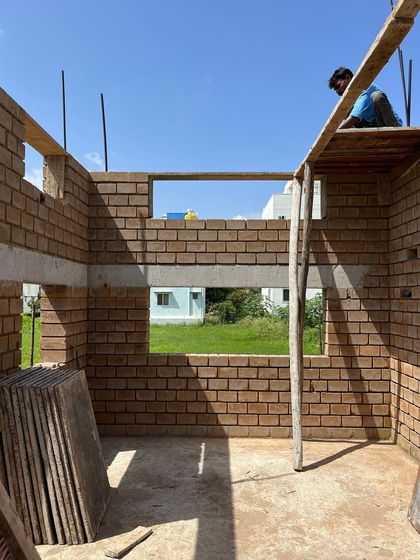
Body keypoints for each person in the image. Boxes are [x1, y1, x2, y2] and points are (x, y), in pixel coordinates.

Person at [328, 67, 402, 129]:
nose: (338, 92)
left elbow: (354, 117)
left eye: (338, 86)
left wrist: (332, 135)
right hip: (374, 127)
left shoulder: (366, 87)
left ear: (348, 78)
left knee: (377, 96)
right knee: (346, 109)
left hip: (388, 124)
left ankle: (392, 128)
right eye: (335, 90)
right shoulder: (351, 102)